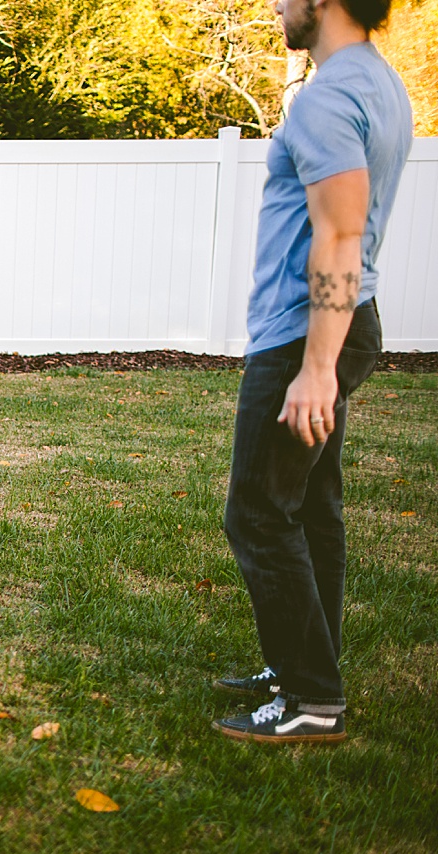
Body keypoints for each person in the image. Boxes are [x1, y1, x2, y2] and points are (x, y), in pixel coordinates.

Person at [213, 0, 411, 744]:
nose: (276, 3)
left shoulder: (331, 97)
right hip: (331, 325)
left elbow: (341, 232)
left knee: (260, 510)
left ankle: (312, 697)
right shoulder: (376, 83)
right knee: (310, 503)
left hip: (306, 333)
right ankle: (299, 662)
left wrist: (315, 368)